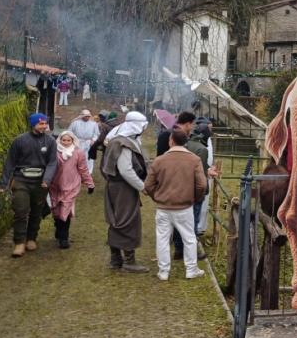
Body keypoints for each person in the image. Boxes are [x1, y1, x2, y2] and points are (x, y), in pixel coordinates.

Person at [143, 129, 207, 281]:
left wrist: (156, 197)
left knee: (162, 239)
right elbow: (202, 185)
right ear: (185, 141)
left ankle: (163, 271)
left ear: (171, 140)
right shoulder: (194, 160)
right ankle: (191, 269)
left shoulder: (159, 160)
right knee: (189, 238)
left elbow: (148, 185)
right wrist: (194, 198)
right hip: (184, 206)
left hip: (163, 207)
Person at [0, 113, 58, 257]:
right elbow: (10, 162)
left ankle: (31, 238)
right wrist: (4, 183)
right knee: (20, 211)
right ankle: (19, 242)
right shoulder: (19, 141)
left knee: (36, 212)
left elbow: (52, 162)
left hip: (40, 183)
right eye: (41, 124)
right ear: (33, 124)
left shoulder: (50, 141)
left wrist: (47, 179)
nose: (44, 126)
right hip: (21, 180)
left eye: (45, 123)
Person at [101, 111, 150, 273]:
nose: (144, 129)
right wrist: (142, 186)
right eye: (142, 126)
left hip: (116, 187)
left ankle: (116, 260)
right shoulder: (123, 143)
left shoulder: (120, 140)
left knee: (116, 220)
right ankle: (128, 262)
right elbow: (126, 170)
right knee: (127, 221)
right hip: (123, 188)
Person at [170, 113, 210, 260]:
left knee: (178, 221)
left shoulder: (184, 144)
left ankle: (178, 250)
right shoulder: (202, 149)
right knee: (192, 222)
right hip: (193, 191)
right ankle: (191, 252)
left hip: (180, 188)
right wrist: (202, 192)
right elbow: (201, 174)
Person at [49, 130, 95, 249]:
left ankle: (64, 238)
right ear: (59, 140)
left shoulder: (78, 153)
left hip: (71, 185)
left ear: (73, 140)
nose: (66, 142)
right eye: (63, 140)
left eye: (68, 140)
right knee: (56, 210)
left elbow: (83, 169)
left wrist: (89, 183)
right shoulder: (54, 152)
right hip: (55, 186)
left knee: (66, 210)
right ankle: (58, 229)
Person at [69, 109, 101, 175]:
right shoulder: (75, 123)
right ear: (82, 116)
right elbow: (69, 132)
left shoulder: (94, 124)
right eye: (86, 116)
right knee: (77, 157)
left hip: (88, 143)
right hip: (78, 142)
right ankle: (76, 171)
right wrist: (72, 140)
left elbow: (96, 134)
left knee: (88, 158)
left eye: (88, 116)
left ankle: (88, 172)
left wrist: (93, 140)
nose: (87, 117)